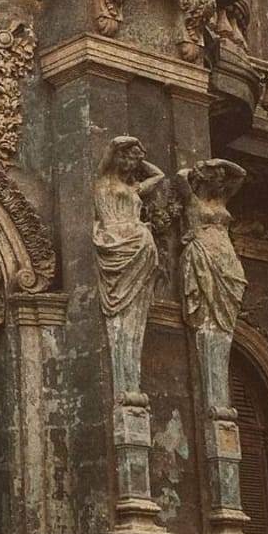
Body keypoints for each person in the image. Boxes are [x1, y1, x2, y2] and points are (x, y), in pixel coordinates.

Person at [93, 136, 165, 405]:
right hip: (116, 242)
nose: (130, 164)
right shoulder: (103, 179)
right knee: (120, 318)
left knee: (136, 315)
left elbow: (159, 176)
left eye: (133, 160)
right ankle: (125, 386)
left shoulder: (133, 187)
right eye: (127, 158)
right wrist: (129, 144)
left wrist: (139, 159)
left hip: (140, 248)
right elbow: (113, 145)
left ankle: (130, 382)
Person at [177, 159, 247, 337]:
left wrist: (220, 162)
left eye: (222, 179)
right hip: (204, 252)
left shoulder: (221, 200)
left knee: (229, 304)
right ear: (206, 180)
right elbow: (180, 176)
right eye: (217, 179)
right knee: (208, 305)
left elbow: (241, 175)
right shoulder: (193, 200)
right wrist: (200, 169)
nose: (221, 183)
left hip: (226, 254)